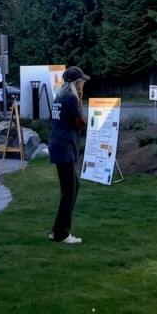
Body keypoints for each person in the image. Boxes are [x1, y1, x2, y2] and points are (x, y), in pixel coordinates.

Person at [47, 66, 90, 244]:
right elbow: (82, 123)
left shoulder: (60, 97)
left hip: (57, 145)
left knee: (72, 188)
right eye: (81, 82)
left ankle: (57, 229)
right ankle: (62, 234)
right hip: (64, 148)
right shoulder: (71, 99)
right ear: (76, 83)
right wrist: (80, 99)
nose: (83, 85)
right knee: (69, 191)